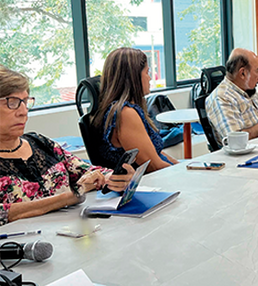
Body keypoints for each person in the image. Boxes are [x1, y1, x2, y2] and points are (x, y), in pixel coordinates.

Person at [0, 65, 134, 226]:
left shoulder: (41, 144)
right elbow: (4, 212)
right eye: (12, 103)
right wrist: (70, 196)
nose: (23, 111)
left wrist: (115, 178)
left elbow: (90, 171)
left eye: (25, 102)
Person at [92, 48, 177, 173]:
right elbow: (153, 165)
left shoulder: (126, 109)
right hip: (153, 182)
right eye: (147, 72)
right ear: (134, 77)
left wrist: (180, 166)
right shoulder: (125, 114)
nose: (149, 78)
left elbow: (156, 153)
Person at [206, 48, 258, 146]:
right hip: (254, 157)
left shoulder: (248, 89)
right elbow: (236, 141)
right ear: (243, 73)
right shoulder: (222, 98)